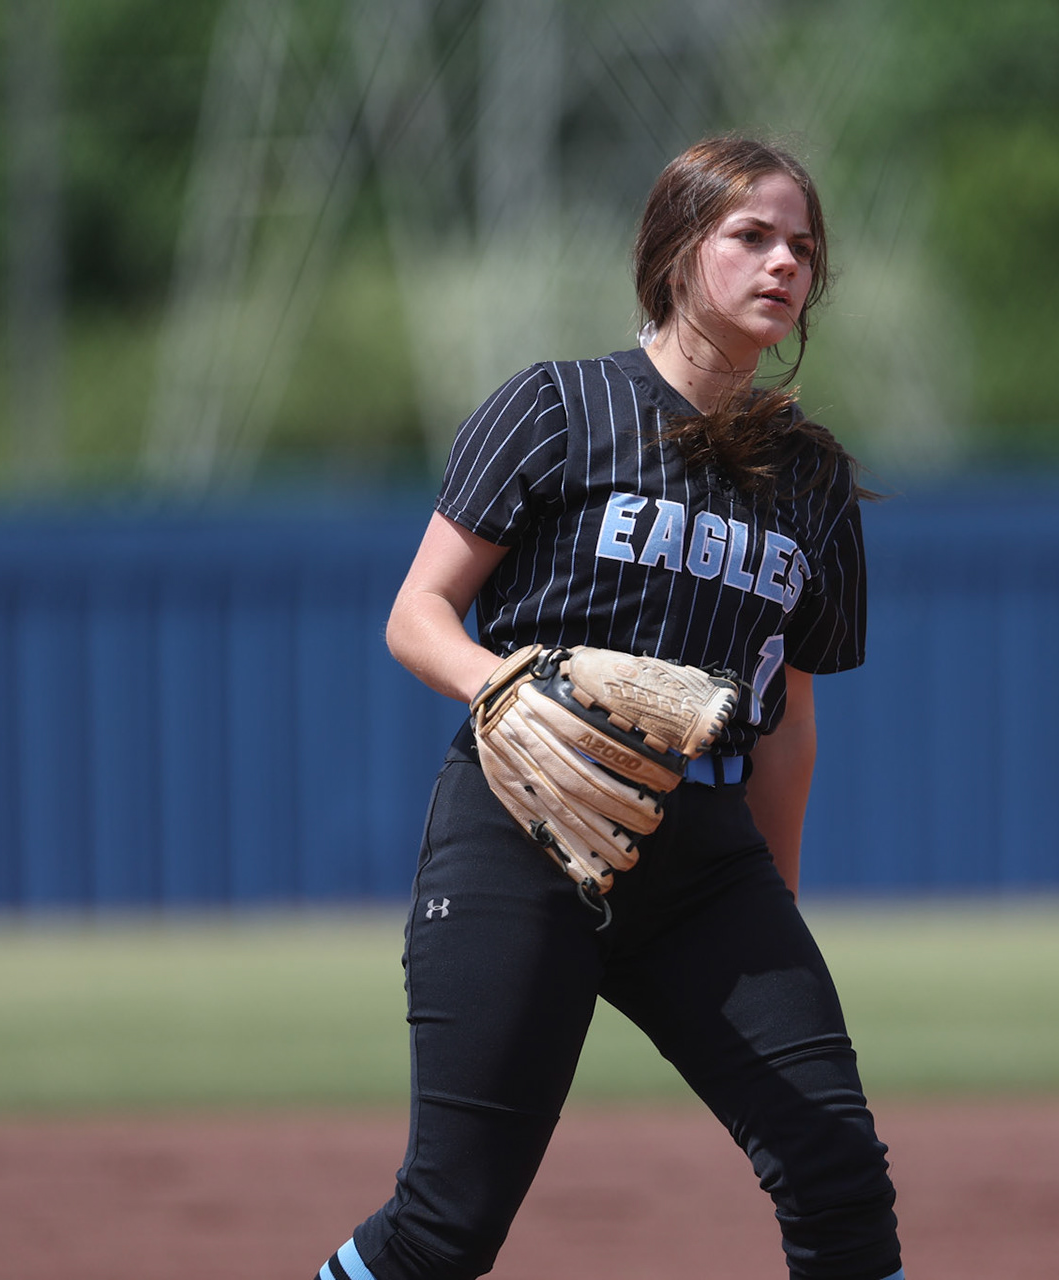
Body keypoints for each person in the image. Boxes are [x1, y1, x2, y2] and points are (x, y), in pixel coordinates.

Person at [313, 137, 905, 1280]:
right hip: (525, 829)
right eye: (751, 235)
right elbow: (418, 613)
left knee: (841, 1184)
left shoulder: (815, 478)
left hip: (703, 861)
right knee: (447, 1222)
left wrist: (768, 907)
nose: (784, 262)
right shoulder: (558, 407)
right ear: (678, 252)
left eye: (803, 246)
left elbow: (787, 719)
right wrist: (501, 679)